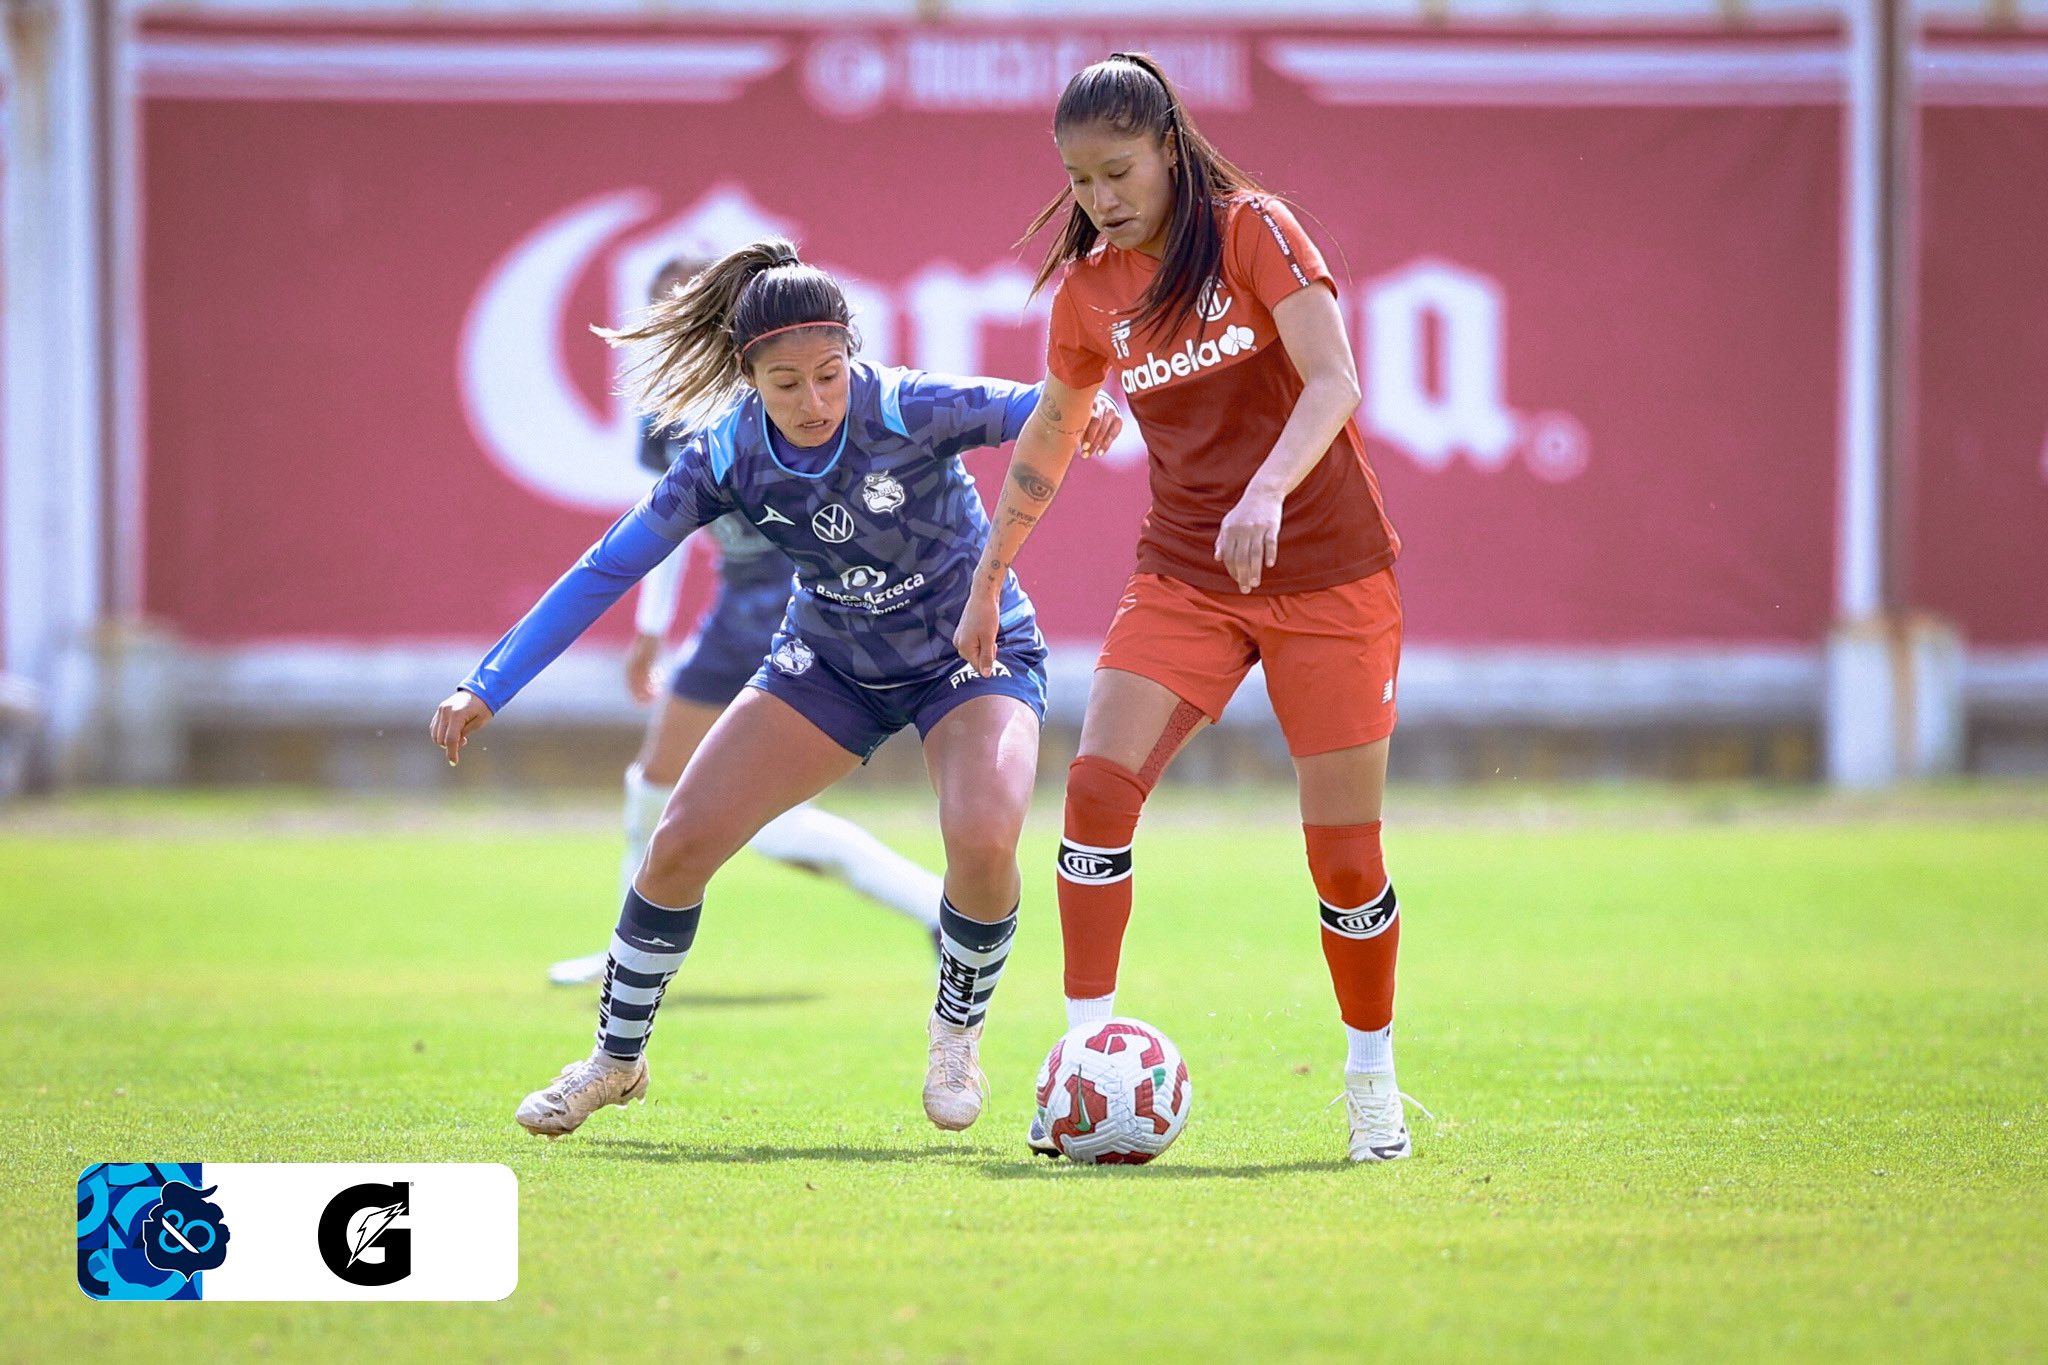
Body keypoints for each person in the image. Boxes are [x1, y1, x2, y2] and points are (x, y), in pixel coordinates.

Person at [431, 239, 1122, 1139]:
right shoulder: (726, 454)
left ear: (853, 356)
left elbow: (1040, 410)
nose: (814, 401)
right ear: (748, 373)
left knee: (985, 837)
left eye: (830, 374)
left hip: (968, 654)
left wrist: (1087, 414)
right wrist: (490, 682)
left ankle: (955, 1031)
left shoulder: (905, 403)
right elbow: (610, 566)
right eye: (787, 382)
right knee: (677, 842)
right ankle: (614, 1059)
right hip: (828, 663)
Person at [957, 53, 1417, 1163]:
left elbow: (1335, 381)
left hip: (1329, 572)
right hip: (1186, 574)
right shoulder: (1087, 294)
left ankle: (1371, 1085)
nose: (1101, 200)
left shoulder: (1254, 229)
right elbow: (1051, 434)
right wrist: (987, 575)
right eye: (1078, 181)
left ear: (1167, 146)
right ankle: (1078, 1068)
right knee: (1096, 793)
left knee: (1345, 861)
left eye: (1117, 171)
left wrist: (1267, 488)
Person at [546, 255, 945, 988]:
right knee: (664, 783)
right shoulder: (669, 402)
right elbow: (656, 525)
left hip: (787, 606)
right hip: (735, 608)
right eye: (665, 309)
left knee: (733, 807)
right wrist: (652, 627)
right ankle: (624, 952)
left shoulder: (777, 388)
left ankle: (936, 904)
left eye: (692, 307)